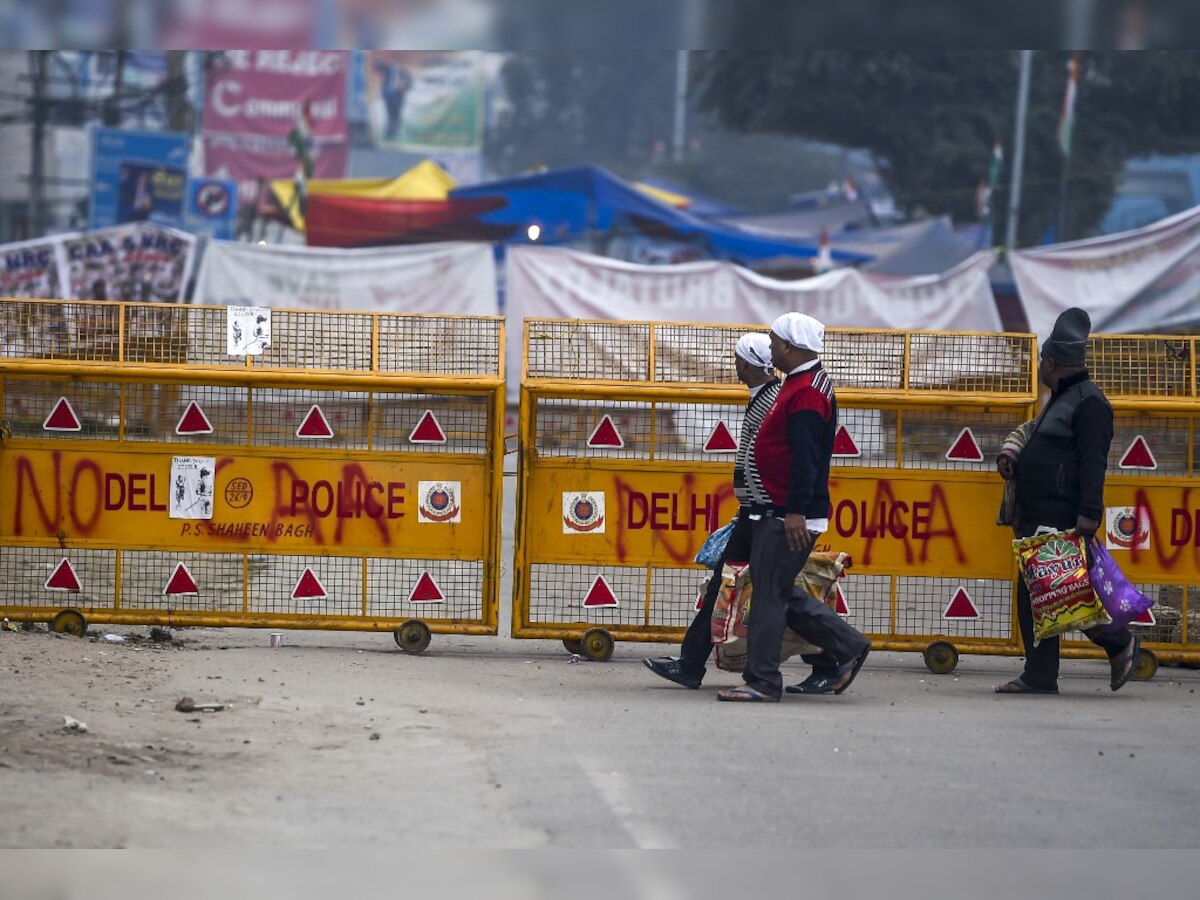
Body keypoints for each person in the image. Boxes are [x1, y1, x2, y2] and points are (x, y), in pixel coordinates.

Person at [717, 313, 871, 702]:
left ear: (788, 346)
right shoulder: (800, 383)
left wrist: (794, 512)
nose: (769, 349)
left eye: (771, 342)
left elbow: (807, 458)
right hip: (781, 507)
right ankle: (848, 643)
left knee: (769, 594)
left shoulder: (807, 393)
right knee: (779, 591)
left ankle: (763, 681)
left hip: (786, 510)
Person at [996, 307, 1139, 694]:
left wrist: (1089, 514)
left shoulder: (1089, 404)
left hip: (1061, 516)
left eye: (1042, 359)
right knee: (1046, 595)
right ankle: (1041, 675)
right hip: (1041, 514)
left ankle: (1119, 643)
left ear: (1052, 362)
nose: (1039, 365)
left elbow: (1094, 463)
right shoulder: (1062, 398)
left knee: (1062, 596)